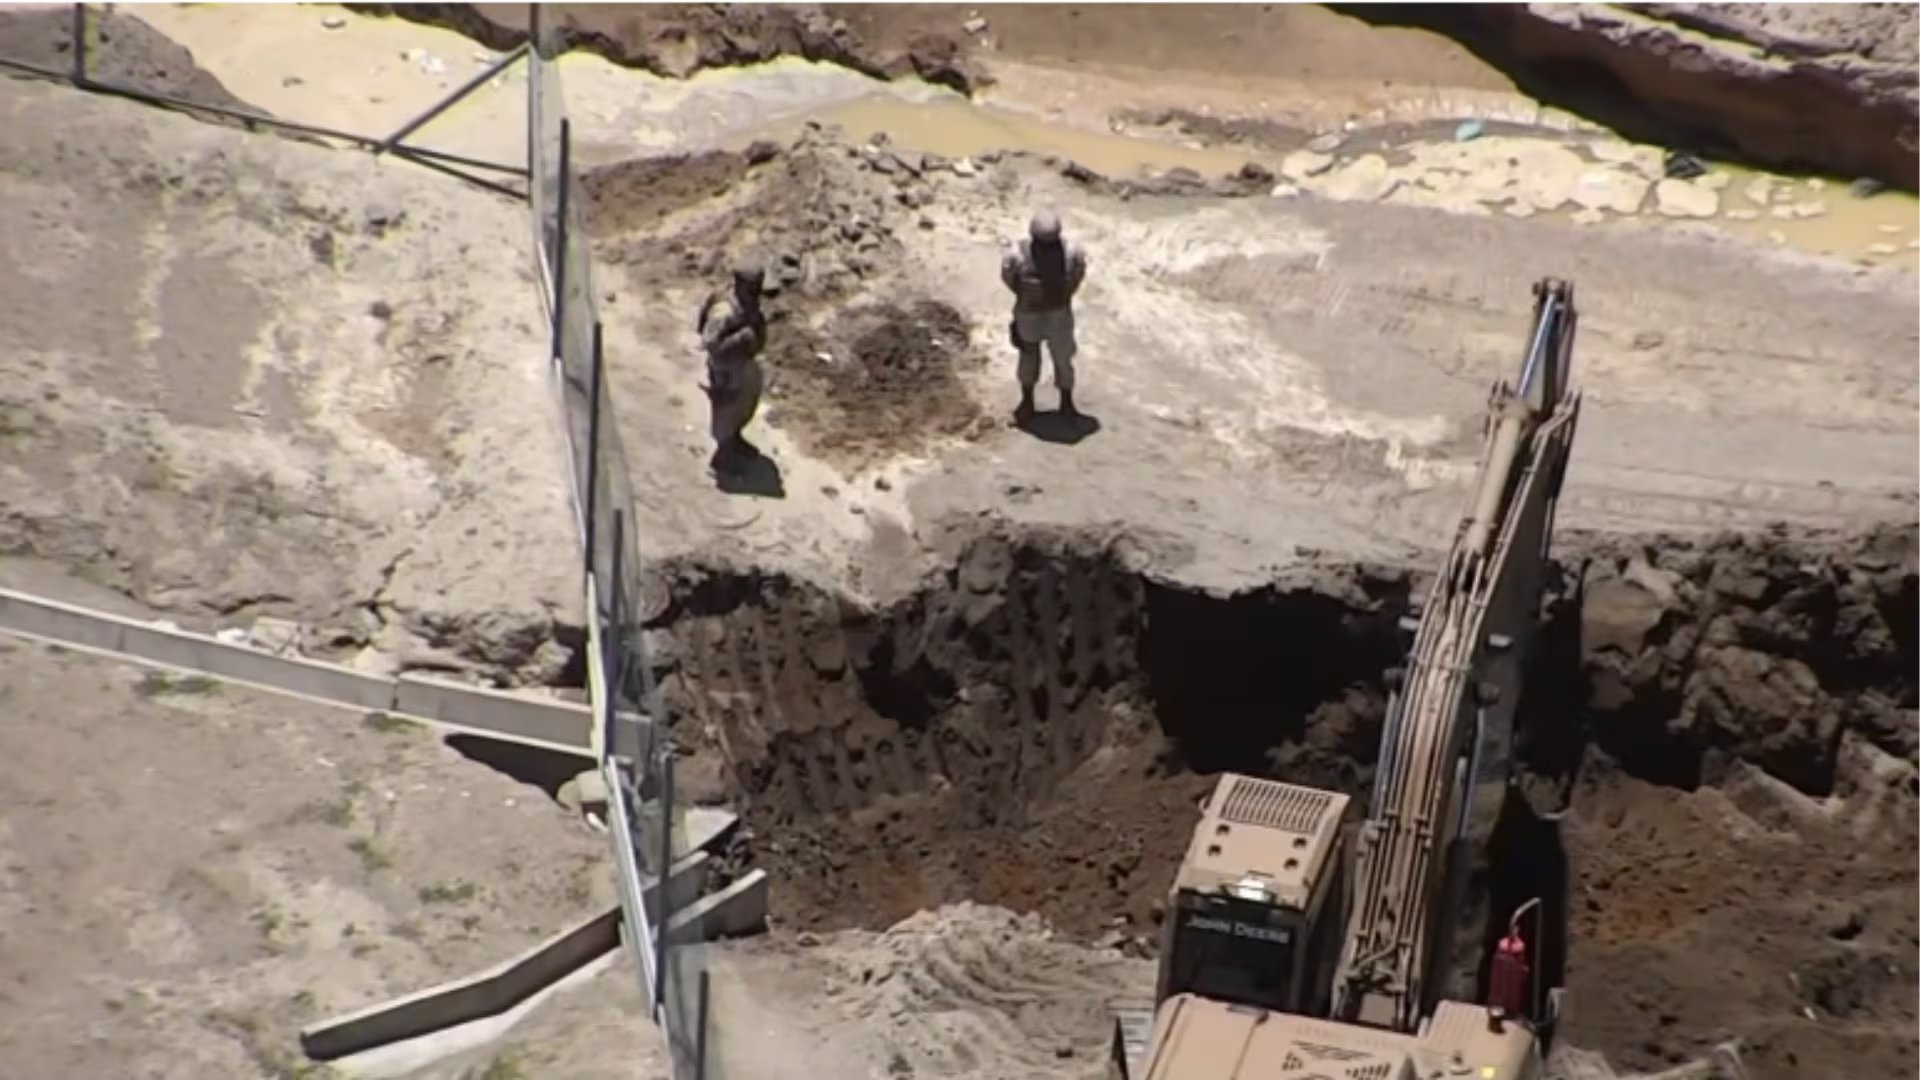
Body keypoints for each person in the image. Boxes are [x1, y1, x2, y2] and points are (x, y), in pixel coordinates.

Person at [1000, 210, 1089, 420]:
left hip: (1029, 313)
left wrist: (1027, 296)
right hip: (1058, 313)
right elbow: (1078, 276)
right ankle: (1066, 404)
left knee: (1029, 355)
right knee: (1062, 358)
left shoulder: (1015, 254)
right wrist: (1063, 297)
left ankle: (1028, 402)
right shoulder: (1072, 251)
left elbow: (1008, 279)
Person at [697, 260, 768, 470]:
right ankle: (722, 456)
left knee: (744, 404)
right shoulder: (725, 310)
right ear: (739, 284)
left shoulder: (747, 302)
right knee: (727, 410)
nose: (756, 290)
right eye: (752, 285)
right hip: (725, 369)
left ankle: (735, 438)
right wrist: (740, 338)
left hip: (743, 363)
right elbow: (710, 343)